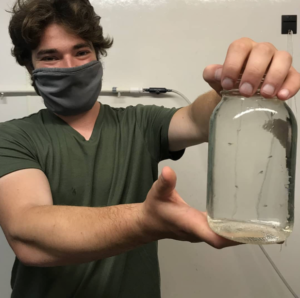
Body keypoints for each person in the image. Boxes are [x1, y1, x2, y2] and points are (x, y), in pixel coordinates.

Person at [0, 0, 299, 297]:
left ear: (96, 54)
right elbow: (28, 232)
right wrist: (145, 222)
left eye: (81, 51)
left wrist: (240, 85)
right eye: (50, 57)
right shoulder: (12, 137)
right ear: (30, 66)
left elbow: (199, 119)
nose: (69, 67)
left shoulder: (141, 123)